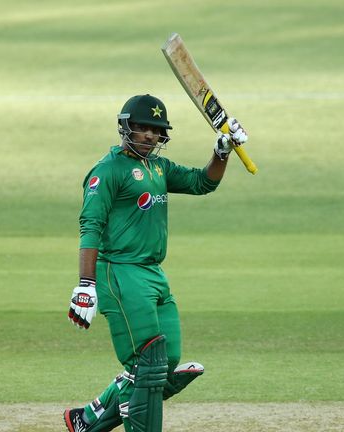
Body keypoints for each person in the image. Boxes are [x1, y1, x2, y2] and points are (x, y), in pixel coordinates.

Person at [63, 94, 248, 432]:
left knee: (167, 359)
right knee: (147, 364)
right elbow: (90, 226)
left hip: (153, 274)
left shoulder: (158, 167)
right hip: (119, 271)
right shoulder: (107, 171)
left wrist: (222, 152)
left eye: (156, 130)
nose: (149, 135)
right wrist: (85, 285)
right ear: (126, 127)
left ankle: (88, 419)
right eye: (142, 127)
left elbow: (202, 182)